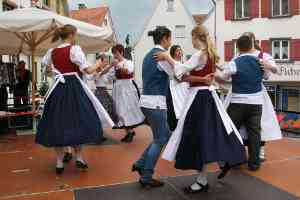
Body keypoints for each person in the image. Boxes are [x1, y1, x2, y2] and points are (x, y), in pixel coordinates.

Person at [157, 25, 246, 193]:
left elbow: (180, 70)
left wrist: (167, 57)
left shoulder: (199, 55)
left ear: (197, 38)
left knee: (199, 137)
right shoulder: (211, 55)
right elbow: (209, 77)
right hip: (209, 97)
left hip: (199, 99)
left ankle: (203, 179)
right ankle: (218, 164)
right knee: (213, 132)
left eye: (192, 38)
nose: (191, 41)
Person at [35, 24, 114, 174]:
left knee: (57, 123)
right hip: (74, 89)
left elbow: (47, 71)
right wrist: (99, 63)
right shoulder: (74, 49)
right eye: (75, 34)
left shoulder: (52, 51)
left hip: (58, 89)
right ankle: (78, 157)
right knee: (78, 121)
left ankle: (59, 162)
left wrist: (56, 73)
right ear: (71, 35)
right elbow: (88, 70)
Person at [222, 32, 282, 162]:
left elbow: (275, 71)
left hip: (257, 93)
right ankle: (241, 152)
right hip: (239, 92)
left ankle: (259, 151)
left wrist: (268, 66)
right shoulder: (238, 57)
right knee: (246, 126)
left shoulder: (263, 56)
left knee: (260, 124)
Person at [132, 26, 174, 188]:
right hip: (156, 103)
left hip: (146, 102)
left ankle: (140, 163)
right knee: (161, 139)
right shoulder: (161, 57)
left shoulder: (148, 56)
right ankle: (146, 175)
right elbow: (177, 74)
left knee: (164, 135)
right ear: (164, 39)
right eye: (170, 38)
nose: (171, 42)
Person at [217, 35, 266, 171]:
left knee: (230, 130)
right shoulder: (259, 61)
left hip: (238, 102)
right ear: (251, 46)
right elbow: (266, 76)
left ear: (237, 47)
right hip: (256, 103)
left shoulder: (235, 62)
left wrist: (213, 73)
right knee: (254, 134)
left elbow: (222, 78)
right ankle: (254, 164)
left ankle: (231, 160)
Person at [109, 44, 145, 143]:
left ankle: (129, 132)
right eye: (113, 53)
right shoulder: (115, 65)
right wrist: (111, 69)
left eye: (116, 53)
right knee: (120, 110)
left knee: (127, 109)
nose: (115, 55)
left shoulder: (128, 62)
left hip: (128, 87)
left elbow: (128, 71)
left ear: (121, 52)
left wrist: (117, 66)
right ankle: (129, 132)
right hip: (118, 87)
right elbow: (110, 77)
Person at [166, 45, 189, 131]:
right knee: (177, 110)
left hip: (185, 89)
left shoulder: (184, 64)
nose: (180, 52)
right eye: (177, 51)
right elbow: (178, 78)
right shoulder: (172, 64)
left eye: (180, 50)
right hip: (176, 90)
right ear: (173, 53)